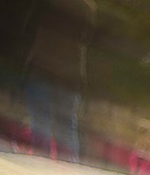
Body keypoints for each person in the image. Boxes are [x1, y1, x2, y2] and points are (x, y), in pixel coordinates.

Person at [22, 0, 97, 163]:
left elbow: (29, 27)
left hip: (42, 67)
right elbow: (88, 37)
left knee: (40, 122)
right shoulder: (86, 7)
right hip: (70, 74)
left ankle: (40, 166)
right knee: (67, 126)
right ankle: (68, 171)